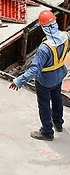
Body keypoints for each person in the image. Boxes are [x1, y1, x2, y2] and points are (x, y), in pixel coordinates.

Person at [10, 10, 69, 140]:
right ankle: (58, 123)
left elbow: (34, 70)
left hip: (45, 80)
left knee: (44, 104)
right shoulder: (66, 37)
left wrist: (19, 80)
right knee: (57, 98)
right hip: (59, 76)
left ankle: (47, 132)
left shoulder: (44, 48)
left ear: (43, 28)